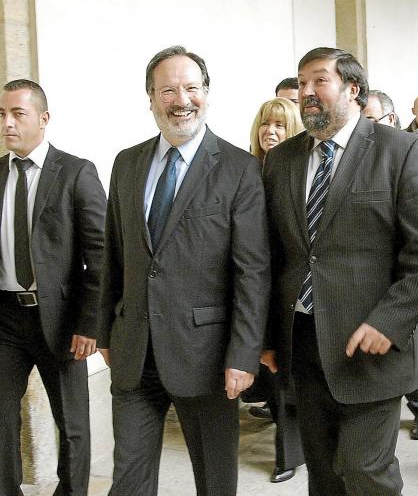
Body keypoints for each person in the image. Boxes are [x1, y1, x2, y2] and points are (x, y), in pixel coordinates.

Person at [262, 46, 418, 495]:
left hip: (370, 344)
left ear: (353, 89)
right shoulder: (282, 160)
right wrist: (264, 337)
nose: (307, 92)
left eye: (319, 81)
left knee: (366, 470)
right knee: (324, 474)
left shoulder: (400, 150)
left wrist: (390, 320)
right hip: (303, 343)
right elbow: (271, 255)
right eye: (302, 82)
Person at [97, 45, 270, 496]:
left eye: (191, 88)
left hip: (206, 356)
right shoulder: (126, 163)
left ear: (206, 93)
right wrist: (105, 331)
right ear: (151, 98)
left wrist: (244, 353)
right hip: (134, 350)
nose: (181, 100)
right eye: (168, 90)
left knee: (214, 480)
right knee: (128, 480)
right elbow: (114, 255)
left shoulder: (238, 168)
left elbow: (252, 271)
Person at [0, 79, 106, 495]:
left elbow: (100, 255)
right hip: (5, 318)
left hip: (61, 320)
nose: (7, 123)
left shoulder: (76, 172)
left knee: (72, 424)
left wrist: (90, 323)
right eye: (2, 114)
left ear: (43, 119)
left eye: (18, 114)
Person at [363, 88, 418, 440]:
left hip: (406, 284)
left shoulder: (406, 151)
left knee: (416, 356)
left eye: (369, 119)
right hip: (366, 288)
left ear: (390, 120)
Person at [246, 96, 305, 483]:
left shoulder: (297, 172)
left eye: (280, 125)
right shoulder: (246, 168)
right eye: (266, 124)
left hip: (287, 285)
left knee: (286, 373)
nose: (271, 131)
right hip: (252, 282)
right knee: (268, 369)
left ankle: (289, 453)